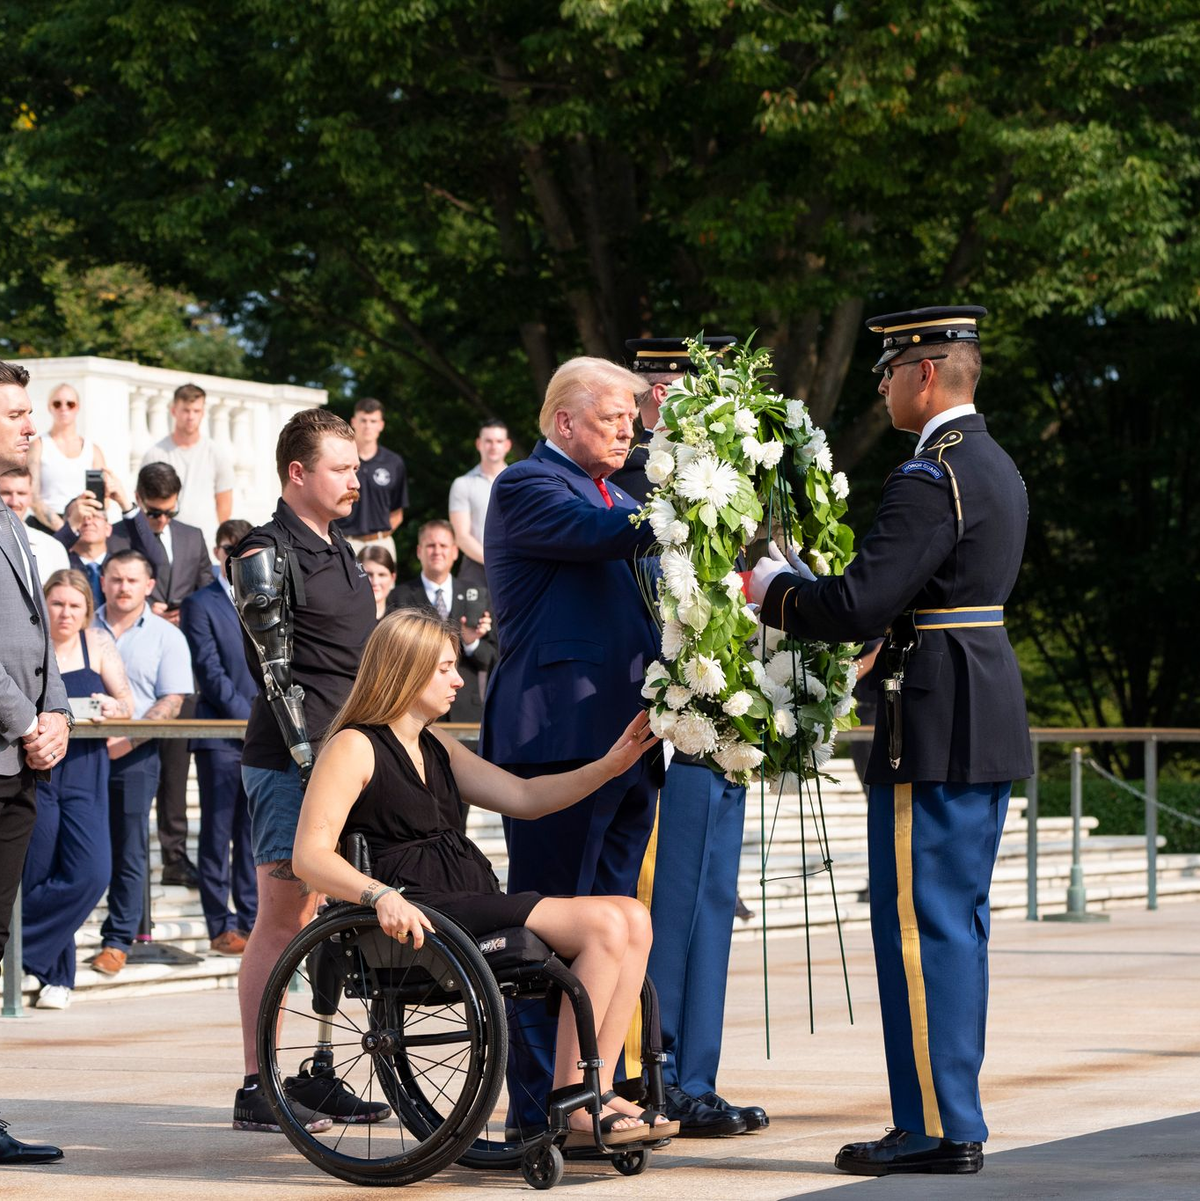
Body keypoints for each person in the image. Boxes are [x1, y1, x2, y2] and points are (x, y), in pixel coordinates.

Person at [748, 305, 1032, 1178]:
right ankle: (953, 1114)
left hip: (936, 718)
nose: (880, 385)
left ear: (926, 375)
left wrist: (772, 584)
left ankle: (937, 1127)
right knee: (957, 925)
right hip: (978, 706)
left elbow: (858, 603)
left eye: (888, 371)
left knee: (919, 928)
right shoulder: (996, 464)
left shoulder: (928, 475)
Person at [293, 608, 672, 1144]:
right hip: (419, 905)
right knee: (606, 924)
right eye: (445, 668)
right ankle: (574, 1102)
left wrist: (610, 766)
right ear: (406, 670)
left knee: (633, 916)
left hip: (464, 894)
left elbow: (524, 797)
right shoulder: (354, 745)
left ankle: (596, 1087)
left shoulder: (435, 743)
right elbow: (309, 855)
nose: (458, 678)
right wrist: (376, 894)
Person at [481, 355, 662, 1130]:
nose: (629, 430)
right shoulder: (526, 485)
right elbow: (599, 534)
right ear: (564, 422)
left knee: (617, 928)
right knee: (549, 937)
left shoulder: (619, 491)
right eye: (614, 418)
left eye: (632, 419)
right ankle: (537, 1110)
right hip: (559, 742)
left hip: (629, 741)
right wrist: (683, 498)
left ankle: (593, 1087)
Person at [615, 335, 766, 1138]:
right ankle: (647, 1069)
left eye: (682, 384)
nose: (668, 398)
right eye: (658, 384)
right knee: (656, 899)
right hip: (649, 714)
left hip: (716, 713)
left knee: (708, 897)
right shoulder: (629, 480)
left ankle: (695, 1075)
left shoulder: (733, 480)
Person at [227, 407, 382, 1134]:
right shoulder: (266, 547)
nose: (357, 480)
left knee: (325, 917)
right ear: (298, 472)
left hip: (347, 757)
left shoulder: (340, 546)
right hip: (294, 762)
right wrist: (309, 758)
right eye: (342, 468)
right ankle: (259, 1084)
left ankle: (318, 1072)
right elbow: (275, 671)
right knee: (283, 917)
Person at [0, 359, 72, 1167]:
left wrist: (53, 712)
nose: (30, 424)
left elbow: (38, 641)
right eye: (17, 411)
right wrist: (26, 721)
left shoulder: (14, 522)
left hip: (21, 763)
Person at [21, 569, 133, 1009]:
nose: (65, 613)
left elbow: (128, 704)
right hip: (37, 769)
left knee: (91, 872)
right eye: (57, 603)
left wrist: (111, 706)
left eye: (74, 605)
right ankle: (57, 977)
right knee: (36, 871)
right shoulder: (28, 646)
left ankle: (18, 947)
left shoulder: (99, 645)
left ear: (88, 610)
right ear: (42, 605)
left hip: (87, 771)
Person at [88, 550, 193, 977]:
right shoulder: (82, 623)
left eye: (132, 580)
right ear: (104, 581)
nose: (123, 587)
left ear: (148, 585)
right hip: (77, 751)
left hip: (136, 754)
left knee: (129, 845)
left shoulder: (167, 637)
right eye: (115, 579)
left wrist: (127, 738)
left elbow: (172, 700)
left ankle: (117, 940)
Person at [180, 520, 259, 956]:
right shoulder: (200, 603)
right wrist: (250, 720)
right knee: (215, 832)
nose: (237, 556)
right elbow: (209, 672)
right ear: (218, 550)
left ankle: (251, 919)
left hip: (263, 738)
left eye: (245, 549)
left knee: (251, 834)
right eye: (230, 548)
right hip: (220, 736)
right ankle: (219, 923)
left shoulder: (266, 600)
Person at [388, 520, 495, 724]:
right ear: (419, 551)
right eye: (431, 545)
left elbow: (493, 658)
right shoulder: (398, 597)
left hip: (467, 714)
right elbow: (395, 658)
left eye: (443, 545)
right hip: (414, 713)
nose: (437, 551)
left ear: (455, 552)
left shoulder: (477, 595)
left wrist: (471, 643)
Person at [140, 382, 234, 547]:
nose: (191, 416)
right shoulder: (155, 453)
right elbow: (143, 501)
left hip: (206, 542)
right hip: (164, 543)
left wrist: (222, 544)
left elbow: (224, 503)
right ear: (174, 411)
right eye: (185, 410)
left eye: (196, 411)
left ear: (203, 413)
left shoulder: (216, 453)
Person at [26, 382, 109, 530]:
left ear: (77, 407)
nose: (63, 408)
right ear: (49, 407)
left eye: (70, 404)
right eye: (57, 404)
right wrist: (64, 530)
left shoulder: (93, 450)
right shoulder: (38, 446)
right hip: (45, 526)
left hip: (85, 525)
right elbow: (32, 496)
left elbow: (103, 499)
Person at [334, 397, 408, 558]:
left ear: (381, 425)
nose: (368, 426)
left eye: (373, 421)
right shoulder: (340, 460)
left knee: (383, 585)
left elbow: (397, 512)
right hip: (343, 542)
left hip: (381, 543)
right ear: (353, 422)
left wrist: (380, 536)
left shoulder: (393, 462)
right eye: (363, 420)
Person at [448, 418, 511, 587]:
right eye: (488, 441)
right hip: (475, 569)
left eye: (499, 441)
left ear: (507, 445)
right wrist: (495, 560)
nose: (493, 446)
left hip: (514, 567)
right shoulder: (463, 483)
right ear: (478, 444)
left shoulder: (519, 483)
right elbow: (461, 537)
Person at [0, 467, 69, 578]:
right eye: (6, 493)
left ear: (30, 497)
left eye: (21, 493)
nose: (14, 501)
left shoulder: (53, 548)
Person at [356, 544, 396, 620]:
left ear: (392, 578)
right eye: (368, 574)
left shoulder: (398, 621)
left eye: (382, 575)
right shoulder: (345, 618)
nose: (375, 582)